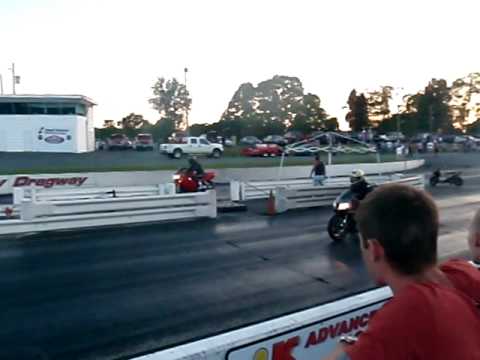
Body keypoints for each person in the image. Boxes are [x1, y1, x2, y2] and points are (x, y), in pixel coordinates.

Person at [324, 184, 480, 360]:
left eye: (362, 244)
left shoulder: (406, 316)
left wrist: (344, 345)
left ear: (375, 250)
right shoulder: (465, 273)